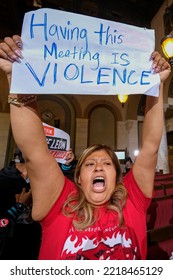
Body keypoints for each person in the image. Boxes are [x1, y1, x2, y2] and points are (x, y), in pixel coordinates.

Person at [0, 35, 171, 260]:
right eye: (90, 163)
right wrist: (17, 78)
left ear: (118, 176)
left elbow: (150, 146)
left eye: (107, 163)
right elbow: (35, 150)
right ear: (78, 178)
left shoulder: (132, 202)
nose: (99, 167)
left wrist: (158, 83)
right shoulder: (60, 203)